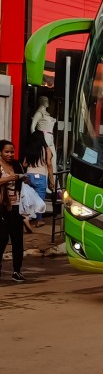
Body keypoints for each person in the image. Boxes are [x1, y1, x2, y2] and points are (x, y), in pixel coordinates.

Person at [0, 139, 27, 281]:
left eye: (12, 151)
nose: (10, 154)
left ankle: (17, 271)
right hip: (2, 207)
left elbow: (23, 180)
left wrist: (25, 179)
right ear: (0, 152)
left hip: (16, 207)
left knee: (18, 240)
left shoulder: (17, 165)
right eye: (7, 152)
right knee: (2, 238)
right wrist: (12, 177)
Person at [23, 130, 54, 228]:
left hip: (29, 175)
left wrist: (32, 163)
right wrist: (51, 179)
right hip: (40, 176)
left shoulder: (29, 149)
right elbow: (49, 164)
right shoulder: (46, 149)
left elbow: (24, 164)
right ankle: (38, 220)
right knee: (40, 200)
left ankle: (27, 218)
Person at [31, 96, 56, 174]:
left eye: (47, 100)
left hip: (50, 137)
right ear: (40, 101)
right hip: (43, 137)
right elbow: (32, 127)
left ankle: (53, 179)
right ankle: (44, 179)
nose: (46, 102)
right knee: (45, 159)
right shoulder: (39, 113)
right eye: (44, 100)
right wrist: (37, 139)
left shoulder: (47, 114)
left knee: (53, 159)